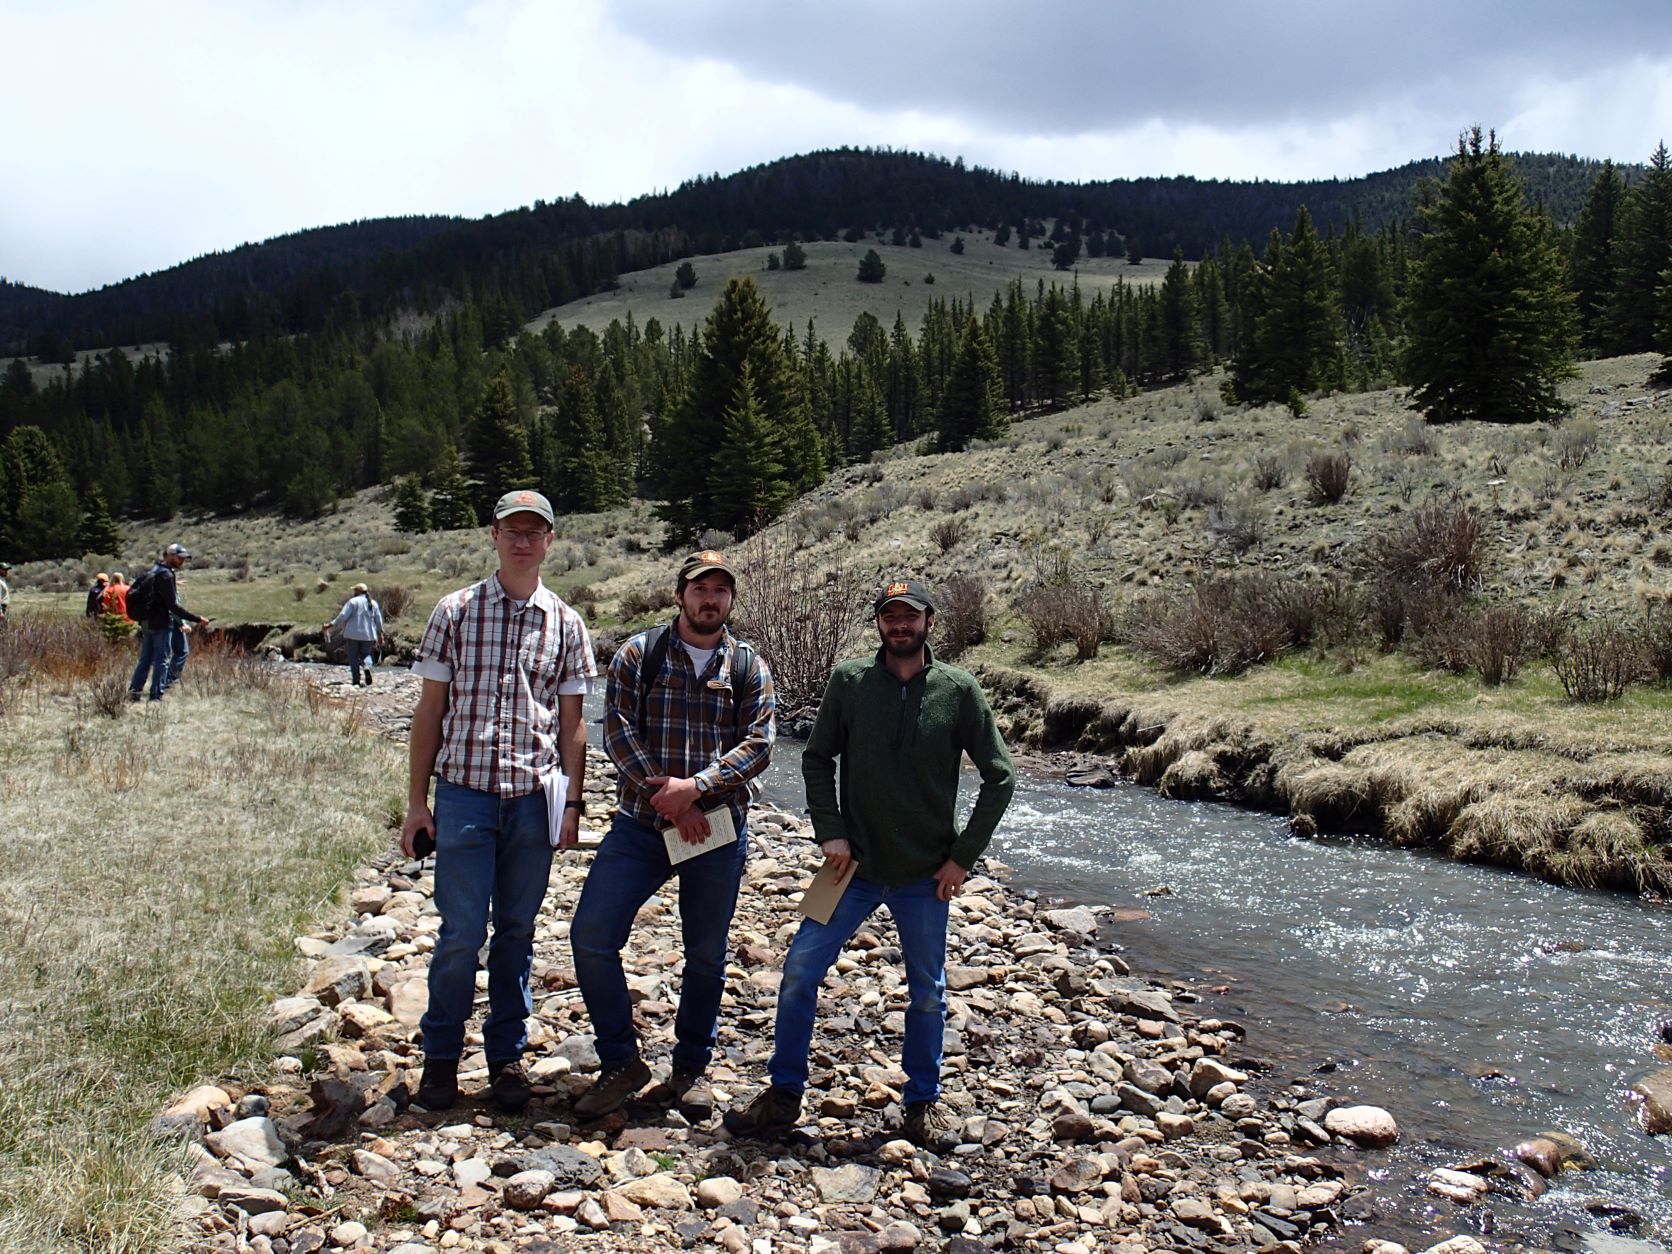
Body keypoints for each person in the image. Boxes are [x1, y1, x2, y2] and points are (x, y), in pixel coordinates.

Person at [723, 577, 1016, 1147]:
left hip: (924, 874)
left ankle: (922, 1102)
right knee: (799, 971)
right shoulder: (850, 681)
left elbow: (1000, 778)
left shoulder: (959, 690)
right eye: (890, 615)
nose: (900, 625)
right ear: (879, 622)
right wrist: (829, 832)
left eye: (910, 615)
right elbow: (815, 758)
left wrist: (961, 859)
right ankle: (783, 1094)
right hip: (846, 869)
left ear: (930, 621)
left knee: (928, 989)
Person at [402, 489, 596, 1113]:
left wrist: (570, 804)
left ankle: (506, 1059)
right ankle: (440, 1059)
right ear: (493, 536)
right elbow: (429, 712)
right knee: (460, 932)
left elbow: (572, 724)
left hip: (534, 796)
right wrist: (417, 803)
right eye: (511, 530)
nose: (522, 541)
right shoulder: (453, 612)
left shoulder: (566, 622)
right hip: (463, 795)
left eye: (533, 531)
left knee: (516, 931)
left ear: (549, 541)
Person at [569, 549, 776, 1121]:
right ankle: (621, 1061)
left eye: (721, 590)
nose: (710, 599)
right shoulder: (641, 653)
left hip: (715, 830)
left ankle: (689, 1067)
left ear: (730, 599)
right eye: (700, 588)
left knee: (706, 955)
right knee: (590, 936)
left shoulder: (747, 665)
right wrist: (668, 799)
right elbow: (616, 731)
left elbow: (759, 744)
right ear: (680, 593)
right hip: (640, 825)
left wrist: (698, 790)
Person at [128, 545, 209, 702]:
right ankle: (156, 696)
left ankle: (134, 692)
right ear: (170, 556)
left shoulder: (154, 570)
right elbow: (172, 605)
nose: (182, 561)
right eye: (180, 558)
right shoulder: (166, 575)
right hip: (161, 622)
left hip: (146, 621)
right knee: (162, 659)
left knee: (146, 658)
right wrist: (197, 619)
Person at [324, 583, 385, 687]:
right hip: (368, 634)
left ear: (358, 591)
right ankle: (367, 667)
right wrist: (380, 633)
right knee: (366, 654)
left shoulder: (352, 602)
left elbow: (343, 616)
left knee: (353, 657)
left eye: (355, 590)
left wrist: (331, 624)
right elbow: (378, 620)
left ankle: (356, 680)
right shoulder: (373, 603)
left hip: (352, 634)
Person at [0, 561, 11, 627]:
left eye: (7, 569)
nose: (6, 571)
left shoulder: (2, 580)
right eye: (4, 569)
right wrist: (0, 612)